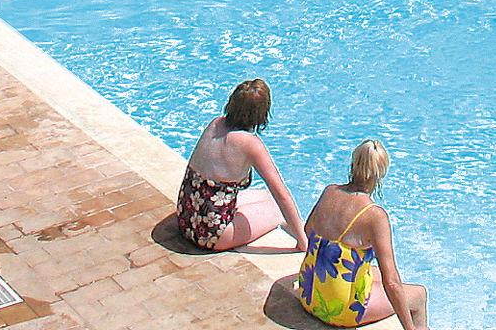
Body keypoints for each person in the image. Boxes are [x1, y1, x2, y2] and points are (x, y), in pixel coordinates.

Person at [295, 141, 428, 329]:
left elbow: (308, 230)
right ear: (380, 173)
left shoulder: (329, 191)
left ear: (354, 164)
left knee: (372, 273)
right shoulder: (375, 216)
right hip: (341, 311)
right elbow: (391, 283)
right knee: (419, 294)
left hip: (308, 294)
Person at [175, 79, 306, 254]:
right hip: (209, 235)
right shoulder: (250, 144)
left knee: (265, 196)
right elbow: (282, 195)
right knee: (276, 209)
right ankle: (301, 237)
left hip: (186, 218)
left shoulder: (215, 124)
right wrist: (303, 242)